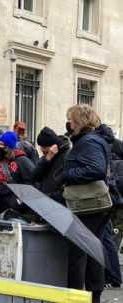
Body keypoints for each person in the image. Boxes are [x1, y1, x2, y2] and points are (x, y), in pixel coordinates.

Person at [64, 105, 113, 302]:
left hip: (88, 206)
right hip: (94, 205)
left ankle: (76, 296)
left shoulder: (88, 141)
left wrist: (67, 175)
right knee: (93, 252)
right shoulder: (91, 139)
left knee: (79, 255)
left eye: (70, 119)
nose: (68, 123)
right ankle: (93, 297)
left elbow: (96, 169)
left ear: (79, 121)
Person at [0, 131, 35, 215]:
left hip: (13, 210)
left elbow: (32, 184)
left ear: (8, 147)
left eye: (1, 145)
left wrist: (18, 202)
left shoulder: (23, 161)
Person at [32, 127, 70, 204]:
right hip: (45, 201)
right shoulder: (47, 156)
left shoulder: (66, 157)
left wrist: (46, 197)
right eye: (40, 146)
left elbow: (64, 188)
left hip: (56, 204)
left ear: (54, 146)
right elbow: (34, 176)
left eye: (44, 147)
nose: (42, 150)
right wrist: (47, 159)